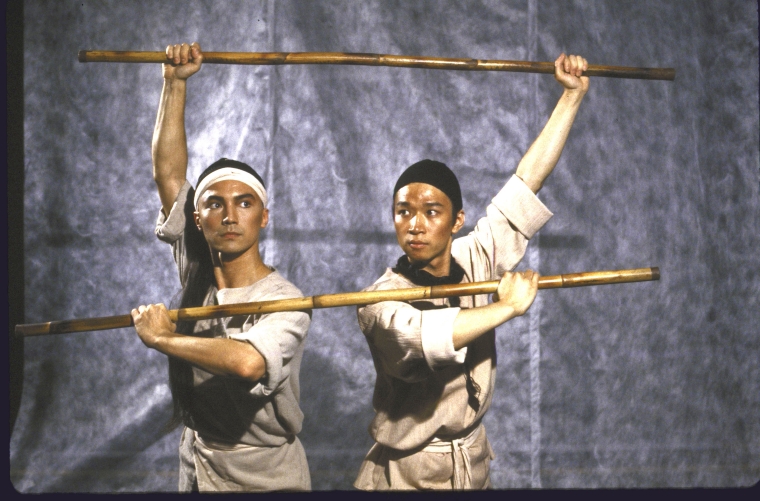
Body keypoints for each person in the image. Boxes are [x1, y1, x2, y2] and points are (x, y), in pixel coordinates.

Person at [354, 53, 589, 490]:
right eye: (403, 212)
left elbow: (526, 184)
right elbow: (426, 338)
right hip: (409, 471)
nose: (416, 224)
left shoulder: (475, 256)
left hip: (472, 460)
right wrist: (507, 307)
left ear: (456, 220)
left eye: (431, 211)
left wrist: (571, 98)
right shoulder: (376, 301)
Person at [130, 42, 311, 492]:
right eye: (215, 203)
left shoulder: (287, 300)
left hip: (266, 474)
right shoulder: (196, 266)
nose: (230, 215)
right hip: (199, 461)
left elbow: (249, 362)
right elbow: (168, 175)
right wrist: (174, 83)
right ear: (197, 217)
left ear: (263, 216)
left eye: (244, 203)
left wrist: (166, 338)